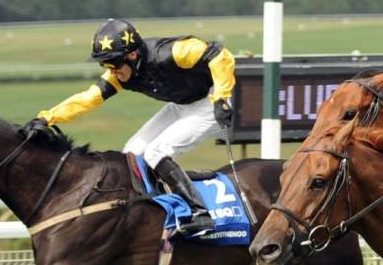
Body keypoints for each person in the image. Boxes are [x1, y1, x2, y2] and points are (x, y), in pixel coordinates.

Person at [27, 19, 234, 236]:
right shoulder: (121, 73)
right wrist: (47, 118)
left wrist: (222, 97)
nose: (110, 71)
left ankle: (200, 213)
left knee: (157, 152)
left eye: (113, 64)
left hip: (211, 101)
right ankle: (155, 205)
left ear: (133, 55)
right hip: (182, 105)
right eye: (104, 65)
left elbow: (219, 54)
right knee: (132, 152)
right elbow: (88, 99)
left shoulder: (171, 52)